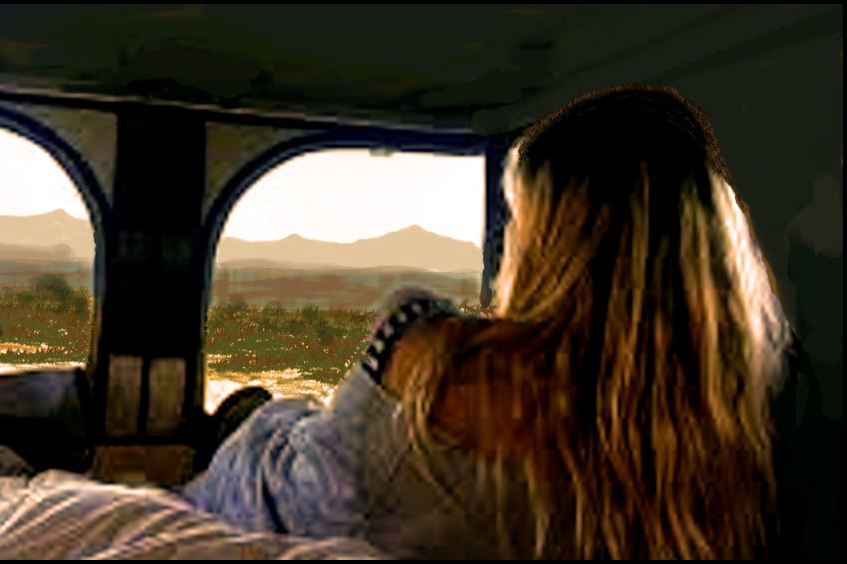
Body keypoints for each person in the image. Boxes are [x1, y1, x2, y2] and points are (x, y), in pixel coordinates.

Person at [182, 85, 795, 559]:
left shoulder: (434, 354)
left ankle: (249, 413)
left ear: (552, 246)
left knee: (263, 426)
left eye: (521, 222)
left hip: (278, 485)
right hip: (338, 470)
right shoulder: (726, 417)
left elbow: (304, 500)